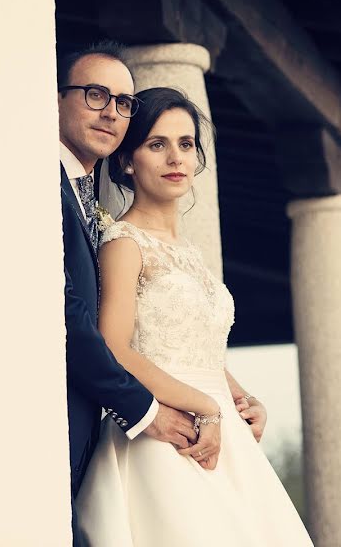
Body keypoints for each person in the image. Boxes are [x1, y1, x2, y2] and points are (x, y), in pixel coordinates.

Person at [75, 87, 313, 546]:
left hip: (224, 435)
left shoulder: (189, 253)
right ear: (127, 161)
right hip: (166, 434)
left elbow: (201, 350)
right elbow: (114, 346)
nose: (175, 158)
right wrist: (204, 405)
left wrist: (244, 399)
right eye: (157, 145)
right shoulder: (125, 243)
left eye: (186, 144)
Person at [57, 42, 200, 547]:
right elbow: (68, 319)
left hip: (97, 430)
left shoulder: (86, 198)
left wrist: (239, 398)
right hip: (67, 424)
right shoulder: (37, 184)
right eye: (96, 94)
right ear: (55, 99)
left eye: (123, 102)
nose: (111, 112)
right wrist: (144, 410)